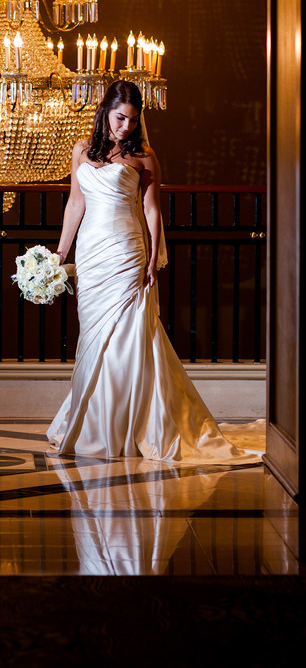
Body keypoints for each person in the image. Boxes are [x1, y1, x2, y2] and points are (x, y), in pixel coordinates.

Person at [47, 80, 259, 463]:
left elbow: (151, 210)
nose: (125, 127)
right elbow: (75, 205)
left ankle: (124, 427)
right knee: (94, 336)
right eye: (119, 118)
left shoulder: (144, 156)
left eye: (132, 120)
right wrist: (60, 253)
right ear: (105, 111)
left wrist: (150, 259)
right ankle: (94, 419)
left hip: (126, 251)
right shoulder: (81, 150)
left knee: (127, 334)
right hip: (92, 255)